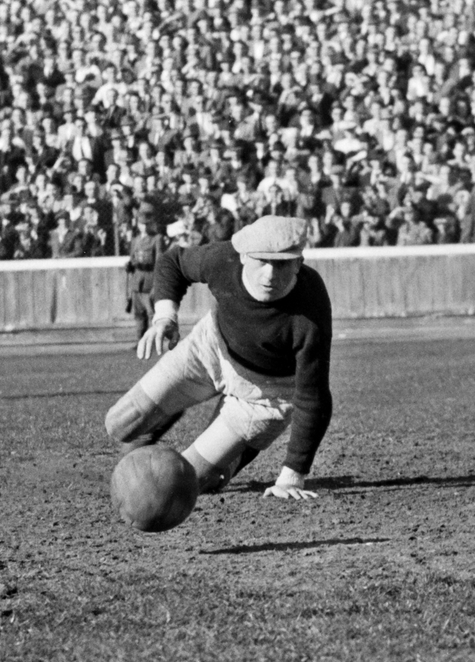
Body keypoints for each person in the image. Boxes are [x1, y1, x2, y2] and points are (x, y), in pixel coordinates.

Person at [104, 215, 332, 501]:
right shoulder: (223, 259)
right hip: (210, 348)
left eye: (282, 263)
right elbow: (172, 261)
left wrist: (291, 477)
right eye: (262, 261)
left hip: (266, 394)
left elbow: (314, 398)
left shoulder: (310, 308)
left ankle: (237, 453)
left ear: (298, 263)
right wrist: (164, 317)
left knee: (183, 484)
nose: (270, 275)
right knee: (119, 423)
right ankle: (174, 404)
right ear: (244, 256)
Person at [125, 202, 166, 342]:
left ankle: (154, 340)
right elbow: (133, 258)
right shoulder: (135, 240)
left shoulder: (157, 239)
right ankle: (140, 340)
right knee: (139, 313)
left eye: (147, 223)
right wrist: (130, 265)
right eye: (142, 223)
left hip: (150, 278)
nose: (144, 226)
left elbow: (159, 263)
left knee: (152, 313)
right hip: (137, 279)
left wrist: (157, 284)